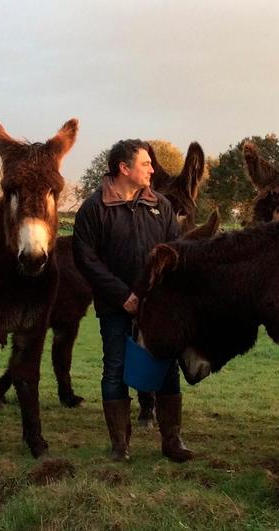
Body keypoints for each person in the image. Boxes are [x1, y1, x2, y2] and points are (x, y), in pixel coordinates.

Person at [73, 139, 193, 463]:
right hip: (115, 307)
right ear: (124, 168)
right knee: (114, 369)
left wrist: (160, 296)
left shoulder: (162, 205)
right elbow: (86, 260)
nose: (153, 169)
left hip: (157, 308)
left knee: (167, 369)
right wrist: (122, 296)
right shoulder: (93, 209)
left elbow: (175, 250)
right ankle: (119, 447)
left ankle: (172, 441)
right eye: (146, 164)